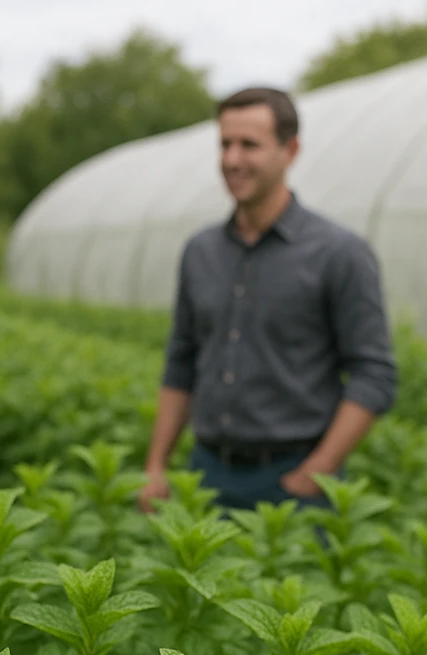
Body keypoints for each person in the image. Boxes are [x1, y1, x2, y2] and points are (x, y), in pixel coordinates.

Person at [139, 87, 397, 512]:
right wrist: (155, 466)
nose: (232, 160)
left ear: (290, 150)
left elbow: (374, 374)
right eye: (225, 144)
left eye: (249, 145)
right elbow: (181, 361)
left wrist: (319, 469)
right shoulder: (201, 251)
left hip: (293, 479)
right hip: (205, 475)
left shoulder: (338, 253)